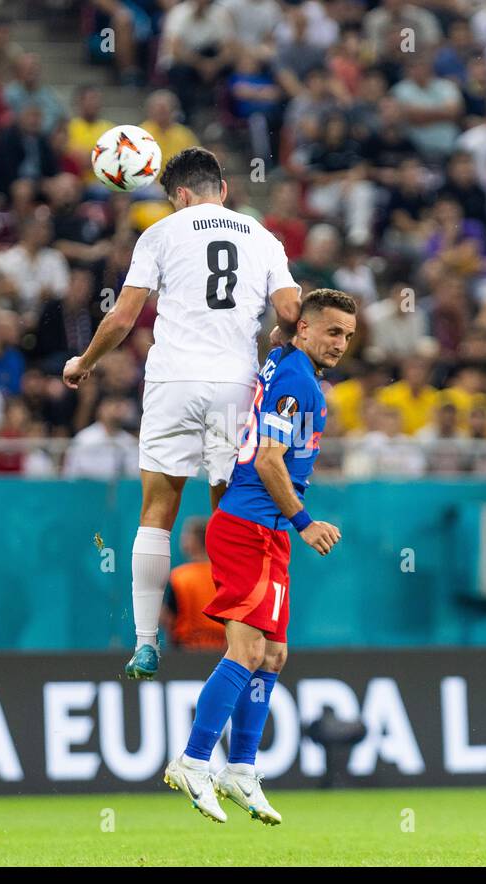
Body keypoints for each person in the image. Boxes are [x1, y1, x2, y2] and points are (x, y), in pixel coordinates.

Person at [62, 147, 301, 680]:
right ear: (223, 189)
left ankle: (146, 642)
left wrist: (85, 362)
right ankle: (239, 636)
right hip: (235, 385)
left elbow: (124, 316)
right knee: (230, 510)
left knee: (157, 511)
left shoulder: (163, 234)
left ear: (183, 196)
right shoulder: (263, 238)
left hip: (173, 380)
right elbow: (289, 313)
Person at [162, 288, 354, 825]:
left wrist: (284, 331)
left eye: (348, 336)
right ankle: (194, 759)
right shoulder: (296, 380)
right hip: (252, 527)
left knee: (273, 656)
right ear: (306, 329)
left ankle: (240, 768)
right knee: (246, 652)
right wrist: (304, 521)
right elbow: (270, 460)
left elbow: (274, 338)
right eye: (333, 332)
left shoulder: (283, 361)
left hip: (262, 533)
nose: (341, 344)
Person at [162, 517, 226, 652]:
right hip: (224, 651)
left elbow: (167, 618)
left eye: (186, 535)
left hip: (187, 650)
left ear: (193, 542)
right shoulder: (226, 575)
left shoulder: (179, 576)